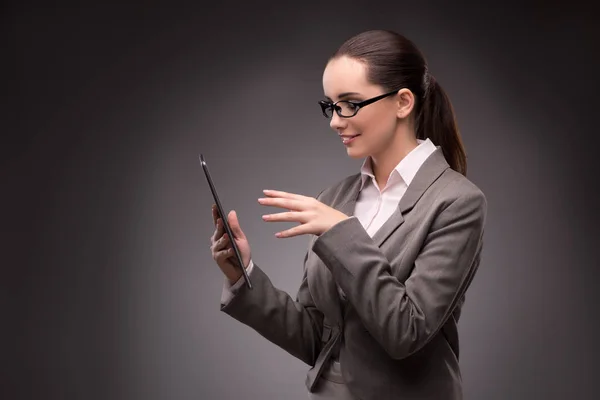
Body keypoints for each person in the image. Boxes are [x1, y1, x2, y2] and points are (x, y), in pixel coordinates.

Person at [210, 29, 487, 400]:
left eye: (350, 104)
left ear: (403, 102)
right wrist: (242, 276)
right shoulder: (335, 198)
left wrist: (342, 232)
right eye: (330, 105)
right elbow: (316, 338)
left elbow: (407, 331)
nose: (335, 120)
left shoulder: (457, 202)